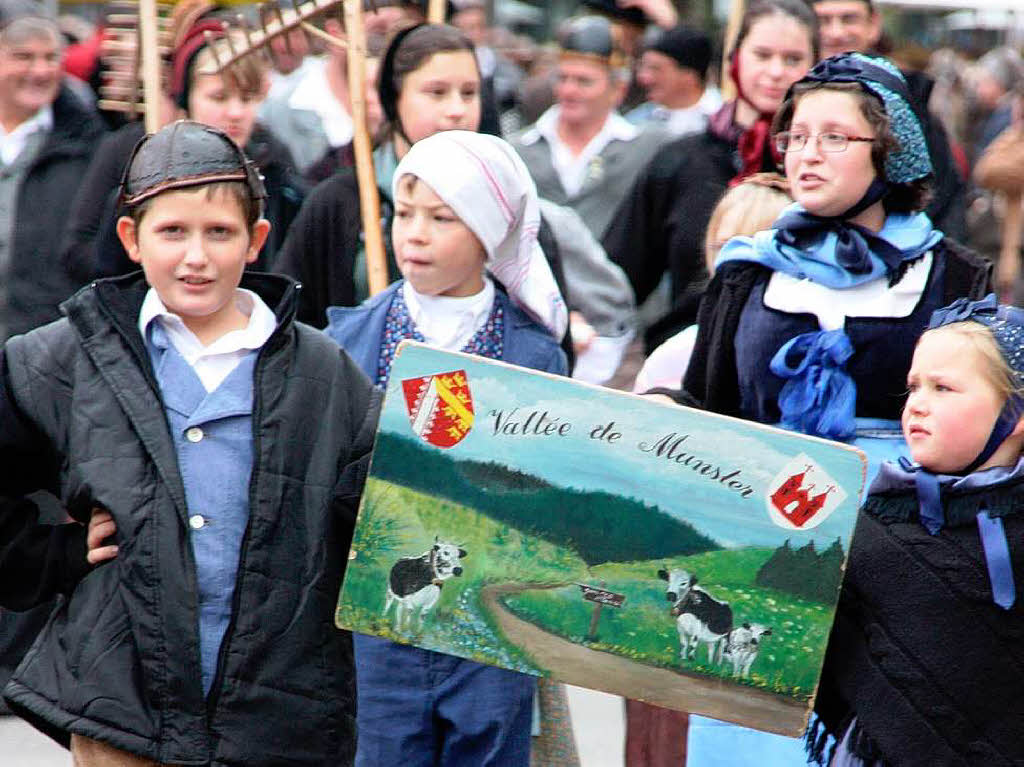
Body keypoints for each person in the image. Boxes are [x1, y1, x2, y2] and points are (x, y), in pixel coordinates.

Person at [0, 120, 378, 765]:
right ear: (131, 238)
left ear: (257, 240)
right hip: (122, 704)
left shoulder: (325, 372)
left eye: (219, 233)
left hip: (277, 713)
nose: (196, 256)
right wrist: (52, 554)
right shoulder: (62, 359)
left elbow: (383, 517)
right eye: (172, 231)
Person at [661, 52, 992, 765]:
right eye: (796, 136)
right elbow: (704, 408)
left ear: (890, 150)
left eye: (835, 137)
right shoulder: (748, 272)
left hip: (901, 553)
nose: (808, 153)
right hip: (757, 546)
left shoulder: (953, 275)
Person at [324, 129, 567, 766]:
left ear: (489, 233)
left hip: (489, 625)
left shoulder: (534, 356)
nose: (415, 233)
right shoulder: (348, 343)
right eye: (404, 214)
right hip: (379, 624)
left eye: (441, 218)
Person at [277, 22, 636, 378]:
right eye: (436, 92)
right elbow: (293, 326)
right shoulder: (340, 202)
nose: (456, 110)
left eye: (469, 93)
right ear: (394, 98)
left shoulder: (505, 208)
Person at [810, 295, 1024, 766]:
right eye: (913, 387)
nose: (917, 406)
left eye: (943, 389)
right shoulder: (879, 514)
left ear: (1016, 415)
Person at [603, 0, 818, 352]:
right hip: (683, 367)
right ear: (734, 58)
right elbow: (617, 276)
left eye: (792, 59)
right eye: (762, 55)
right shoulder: (681, 160)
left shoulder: (825, 168)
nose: (776, 71)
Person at [0, 4, 104, 720]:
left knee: (30, 507)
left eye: (48, 58)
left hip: (35, 357)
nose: (39, 71)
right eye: (22, 57)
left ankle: (16, 670)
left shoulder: (81, 143)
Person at [62, 11, 306, 283]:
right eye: (219, 97)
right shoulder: (130, 151)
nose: (235, 112)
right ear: (187, 97)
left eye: (247, 98)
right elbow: (79, 252)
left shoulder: (272, 161)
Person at [808, 0, 967, 241]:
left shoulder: (914, 104)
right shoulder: (791, 99)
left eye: (848, 19)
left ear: (874, 25)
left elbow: (943, 198)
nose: (836, 32)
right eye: (824, 20)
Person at [511, 14, 668, 242]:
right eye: (562, 78)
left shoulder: (647, 147)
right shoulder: (518, 149)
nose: (568, 90)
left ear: (618, 89)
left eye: (584, 81)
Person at [632, 173, 792, 393]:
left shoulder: (802, 352)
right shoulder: (675, 354)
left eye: (757, 251)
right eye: (725, 248)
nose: (738, 265)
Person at [626, 24, 721, 138]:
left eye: (656, 69)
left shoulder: (724, 121)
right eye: (643, 67)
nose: (643, 77)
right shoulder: (636, 123)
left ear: (689, 75)